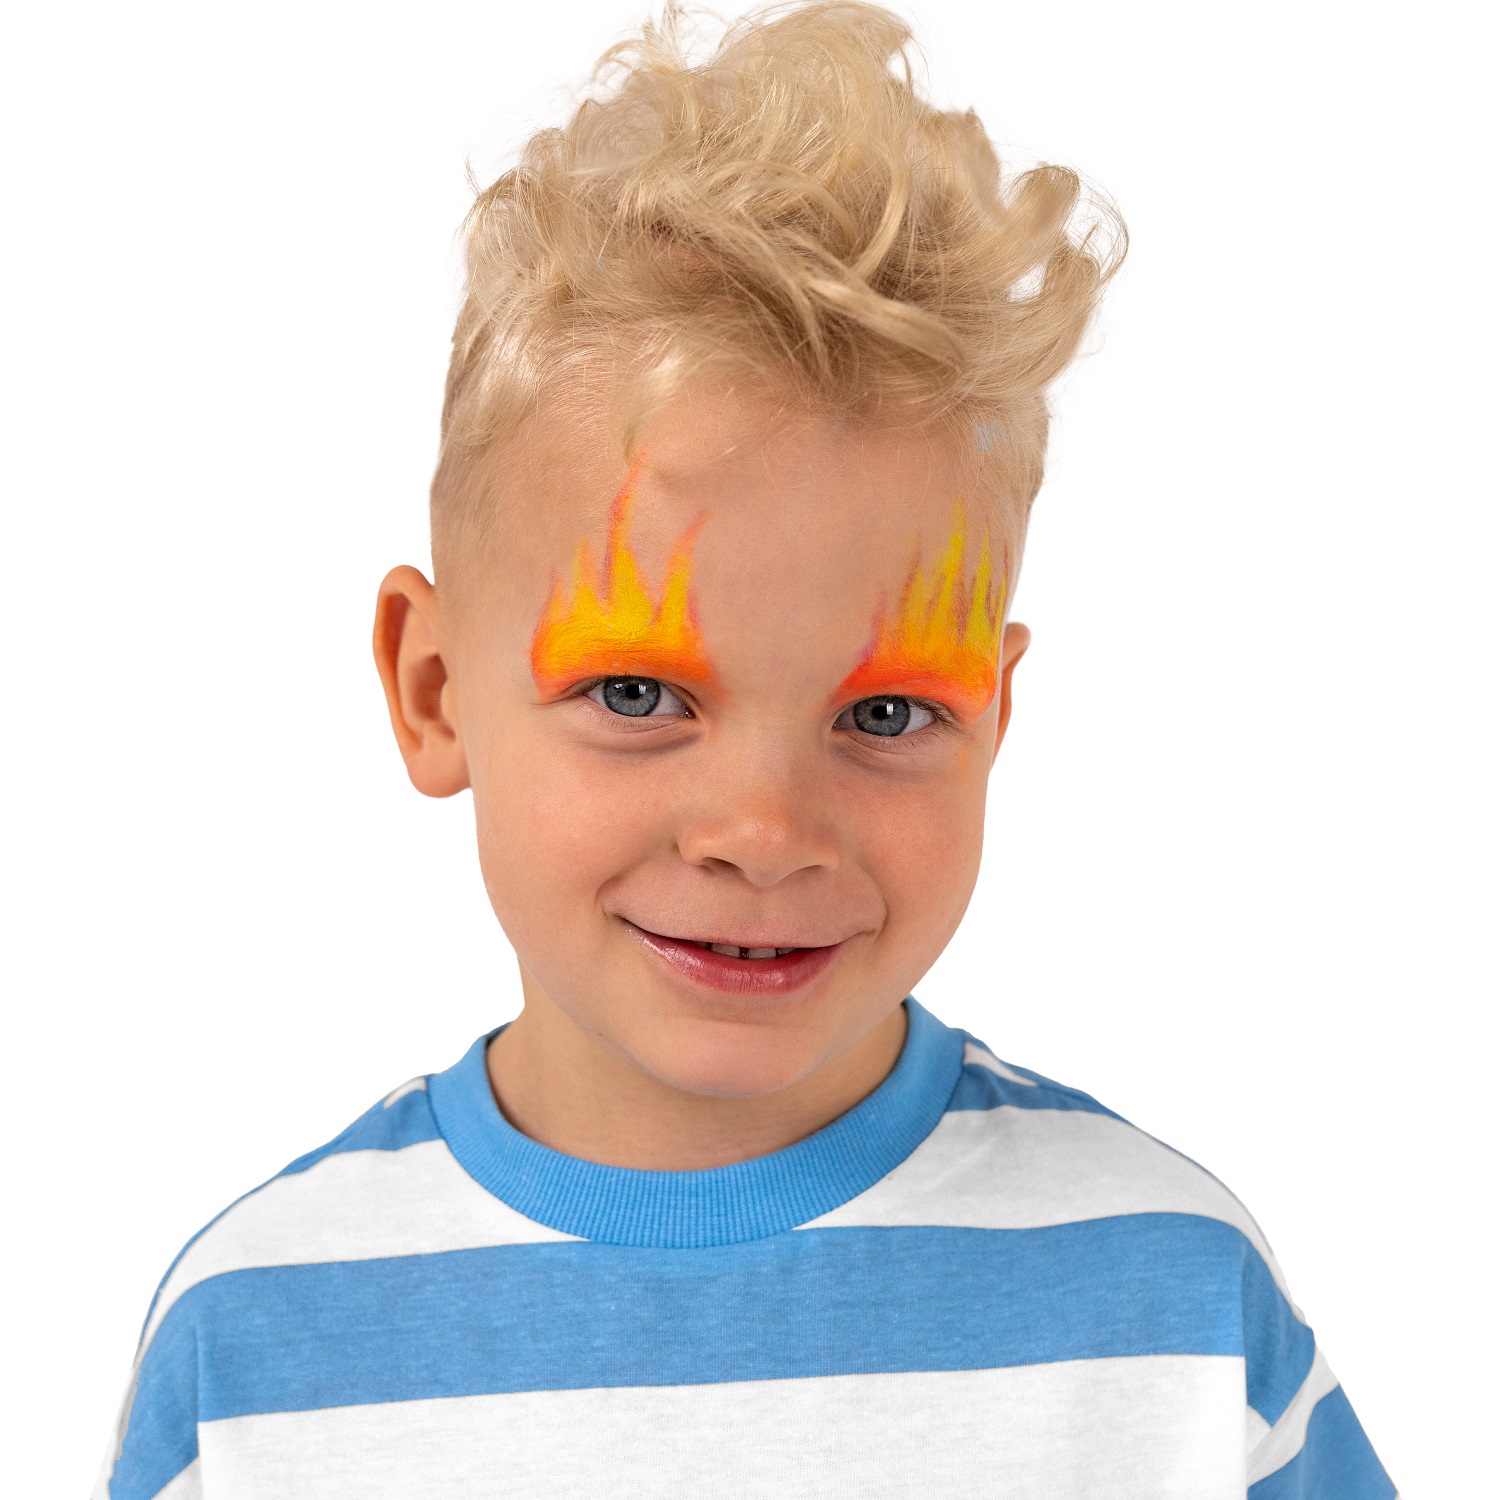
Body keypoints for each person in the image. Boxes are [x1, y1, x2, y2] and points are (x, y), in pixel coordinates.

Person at [95, 4, 1395, 1495]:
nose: (764, 830)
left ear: (993, 717)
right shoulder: (254, 1346)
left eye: (885, 713)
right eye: (638, 694)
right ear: (434, 688)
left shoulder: (1175, 1312)